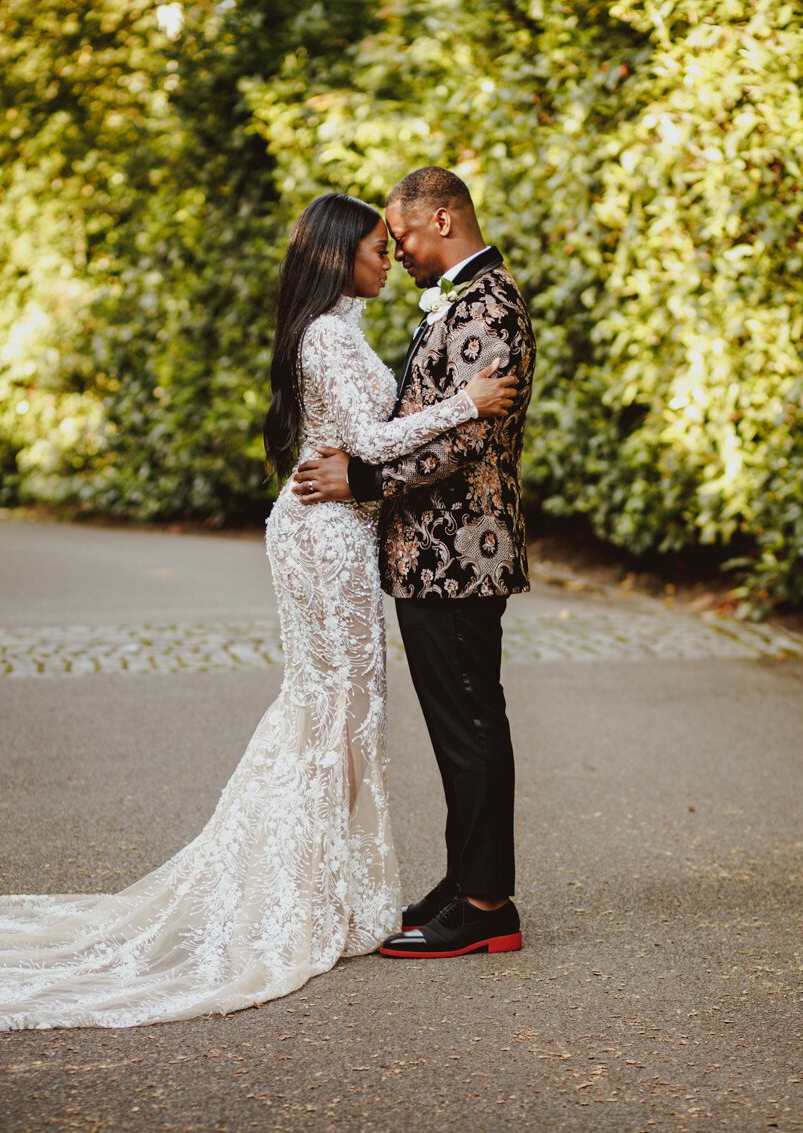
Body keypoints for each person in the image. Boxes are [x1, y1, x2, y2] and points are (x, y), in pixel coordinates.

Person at [0, 192, 517, 1029]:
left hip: (325, 531)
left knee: (332, 706)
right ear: (337, 255)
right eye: (375, 247)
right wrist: (468, 402)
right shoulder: (329, 336)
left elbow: (358, 438)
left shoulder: (335, 331)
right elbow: (371, 443)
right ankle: (304, 890)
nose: (388, 257)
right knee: (341, 705)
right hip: (329, 537)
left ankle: (313, 882)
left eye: (394, 244)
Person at [290, 167, 534, 960]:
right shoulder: (462, 301)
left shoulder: (491, 304)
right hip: (429, 555)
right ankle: (467, 879)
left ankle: (487, 904)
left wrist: (359, 480)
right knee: (457, 725)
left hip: (461, 554)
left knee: (469, 724)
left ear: (441, 219)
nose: (398, 253)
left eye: (403, 238)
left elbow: (465, 439)